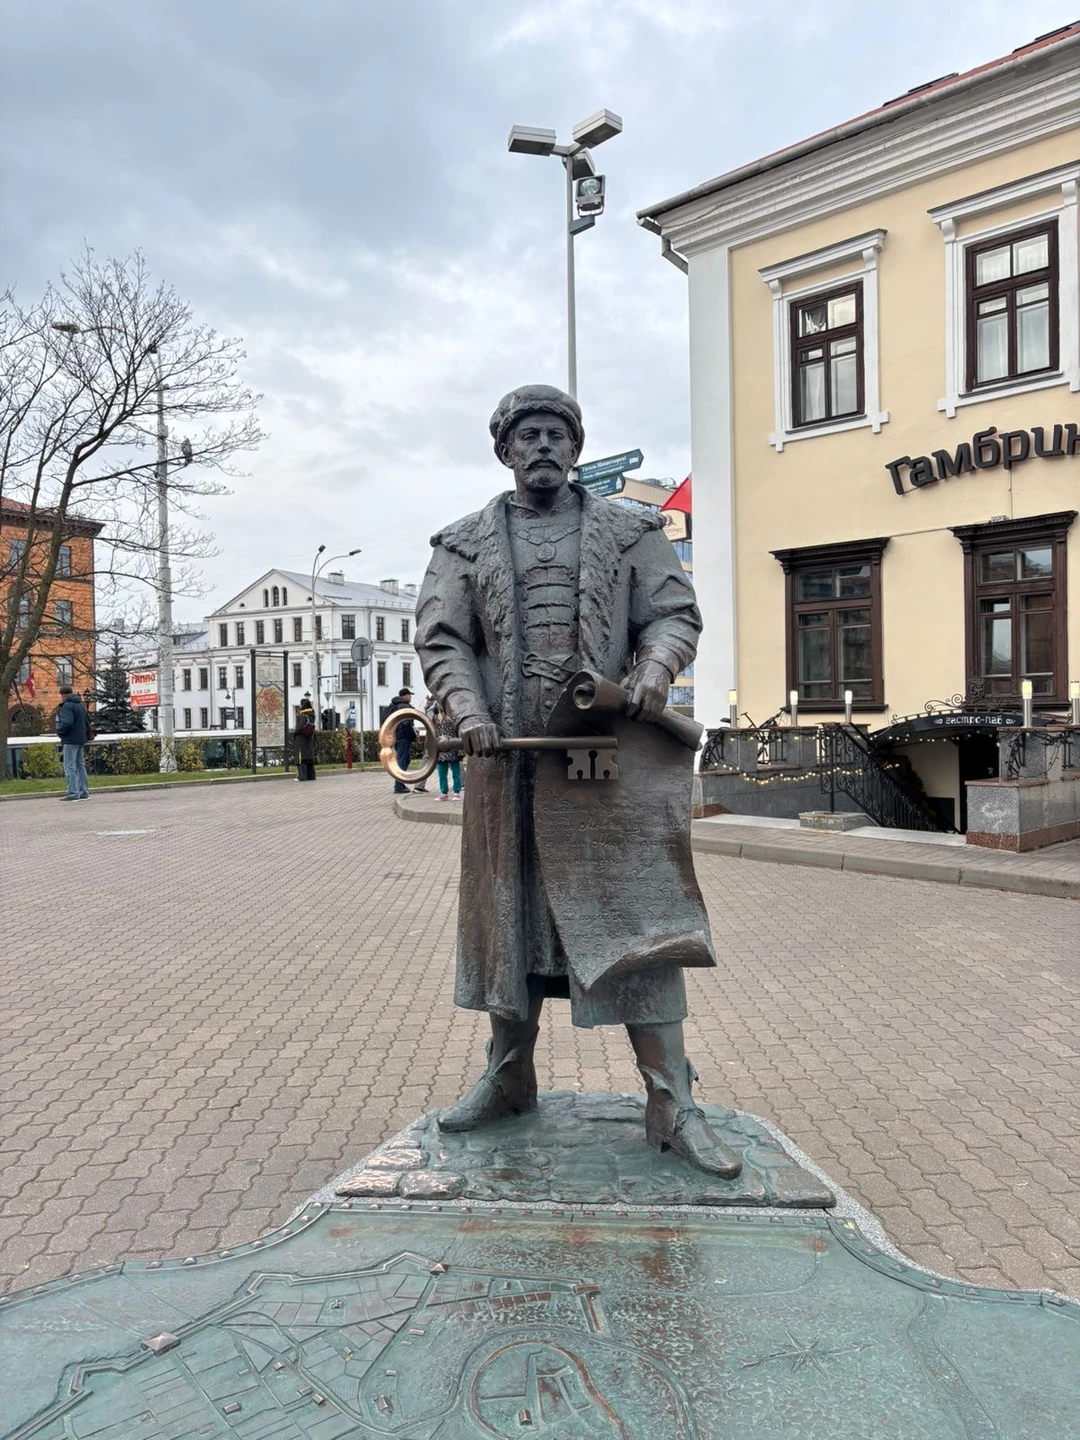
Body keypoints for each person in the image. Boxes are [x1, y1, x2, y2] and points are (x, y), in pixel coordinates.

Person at [415, 383, 741, 1178]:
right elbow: (443, 637)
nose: (543, 447)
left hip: (606, 772)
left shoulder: (632, 531)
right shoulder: (461, 545)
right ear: (504, 450)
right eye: (527, 435)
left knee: (637, 926)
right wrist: (466, 708)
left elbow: (674, 615)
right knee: (510, 929)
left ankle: (672, 1100)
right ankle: (508, 1077)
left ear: (576, 446)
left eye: (557, 433)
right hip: (509, 769)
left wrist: (657, 669)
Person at [384, 686, 427, 794]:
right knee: (402, 760)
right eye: (409, 696)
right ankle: (398, 785)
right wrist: (412, 736)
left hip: (395, 736)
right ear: (405, 696)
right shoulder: (404, 706)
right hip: (403, 737)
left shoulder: (392, 706)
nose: (411, 698)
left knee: (405, 759)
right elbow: (406, 723)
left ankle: (400, 783)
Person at [55, 685, 91, 801]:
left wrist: (59, 732)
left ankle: (73, 793)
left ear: (63, 695)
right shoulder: (80, 705)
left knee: (69, 766)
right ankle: (84, 792)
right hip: (81, 739)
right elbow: (87, 721)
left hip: (70, 740)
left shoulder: (67, 706)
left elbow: (67, 723)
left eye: (61, 695)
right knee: (80, 765)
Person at [433, 704, 463, 801]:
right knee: (443, 774)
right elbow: (433, 733)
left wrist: (461, 749)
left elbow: (459, 732)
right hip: (442, 749)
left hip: (452, 748)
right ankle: (444, 792)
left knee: (455, 773)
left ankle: (455, 792)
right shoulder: (436, 718)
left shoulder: (453, 717)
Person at [294, 695, 317, 781]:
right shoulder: (312, 715)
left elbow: (299, 728)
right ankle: (311, 776)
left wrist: (296, 733)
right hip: (309, 738)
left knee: (301, 757)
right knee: (309, 757)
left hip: (301, 739)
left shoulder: (303, 715)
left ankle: (302, 776)